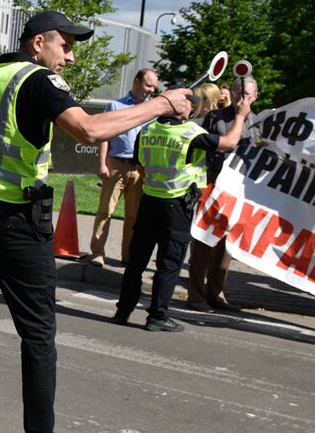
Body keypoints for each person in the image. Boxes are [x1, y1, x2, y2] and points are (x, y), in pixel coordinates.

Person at [0, 10, 194, 433]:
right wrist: (161, 105)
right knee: (38, 333)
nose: (70, 56)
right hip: (17, 220)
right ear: (38, 43)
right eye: (66, 45)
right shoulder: (39, 81)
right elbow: (90, 129)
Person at [113, 80, 252, 331]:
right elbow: (230, 142)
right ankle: (157, 316)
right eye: (191, 102)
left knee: (136, 262)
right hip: (176, 205)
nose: (193, 107)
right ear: (180, 105)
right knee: (169, 264)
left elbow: (140, 164)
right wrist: (241, 115)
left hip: (149, 201)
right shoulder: (191, 133)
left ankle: (123, 311)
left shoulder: (147, 130)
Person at [186, 79, 245, 311]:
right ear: (232, 92)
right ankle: (196, 295)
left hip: (239, 189)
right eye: (239, 92)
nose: (242, 97)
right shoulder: (216, 117)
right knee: (203, 241)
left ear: (255, 97)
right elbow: (210, 147)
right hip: (213, 183)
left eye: (247, 93)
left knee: (227, 244)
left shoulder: (258, 122)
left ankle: (216, 293)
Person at [90, 68, 159, 263]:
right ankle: (97, 253)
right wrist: (102, 163)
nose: (151, 90)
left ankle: (128, 256)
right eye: (148, 85)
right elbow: (104, 136)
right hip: (116, 164)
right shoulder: (115, 106)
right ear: (136, 81)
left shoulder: (153, 110)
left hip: (140, 169)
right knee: (105, 211)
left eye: (154, 87)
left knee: (133, 217)